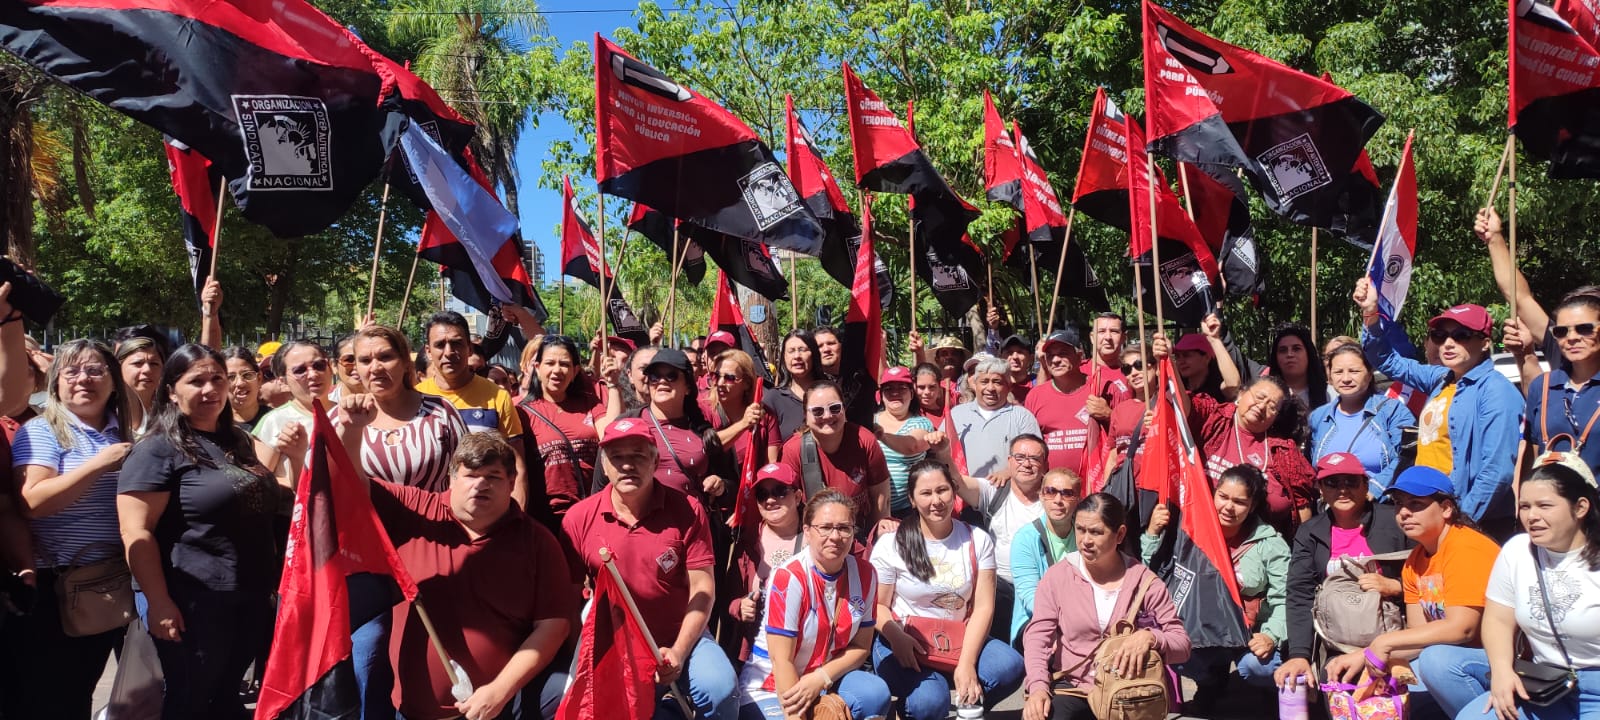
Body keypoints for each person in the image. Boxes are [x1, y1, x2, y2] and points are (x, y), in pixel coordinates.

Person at [346, 426, 575, 720]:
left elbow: (553, 627)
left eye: (493, 477)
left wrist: (499, 691)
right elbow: (349, 484)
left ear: (511, 481)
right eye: (470, 475)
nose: (481, 485)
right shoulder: (414, 510)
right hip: (410, 712)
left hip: (498, 710)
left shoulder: (538, 542)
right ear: (452, 478)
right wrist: (350, 433)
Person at [118, 344, 279, 719]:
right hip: (194, 602)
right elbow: (136, 532)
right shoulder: (157, 450)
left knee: (225, 699)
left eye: (217, 379)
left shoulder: (237, 441)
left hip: (249, 597)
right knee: (190, 700)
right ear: (172, 391)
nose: (210, 390)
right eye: (196, 381)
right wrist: (158, 603)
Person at [338, 325, 472, 717]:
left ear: (406, 360)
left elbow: (464, 475)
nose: (375, 367)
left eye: (385, 356)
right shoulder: (340, 418)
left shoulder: (440, 411)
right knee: (371, 657)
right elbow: (338, 487)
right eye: (364, 359)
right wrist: (353, 430)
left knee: (428, 653)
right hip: (369, 556)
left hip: (435, 546)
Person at [563, 418, 738, 720]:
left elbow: (703, 589)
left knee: (719, 689)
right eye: (617, 457)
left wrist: (680, 652)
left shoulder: (687, 509)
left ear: (656, 460)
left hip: (681, 635)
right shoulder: (578, 518)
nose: (627, 465)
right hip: (614, 645)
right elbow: (568, 599)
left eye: (638, 456)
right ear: (604, 466)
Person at [1, 340, 133, 718]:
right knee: (53, 699)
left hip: (112, 584)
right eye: (72, 371)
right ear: (56, 382)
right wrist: (99, 466)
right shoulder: (41, 431)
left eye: (95, 370)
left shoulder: (123, 432)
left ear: (112, 382)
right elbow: (32, 503)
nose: (83, 379)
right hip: (57, 589)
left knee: (86, 692)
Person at [1324, 466, 1503, 720]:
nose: (1404, 513)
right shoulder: (1414, 561)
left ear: (1446, 508)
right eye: (1398, 504)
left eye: (1416, 504)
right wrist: (1363, 657)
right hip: (1453, 660)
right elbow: (1418, 637)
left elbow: (1463, 629)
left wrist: (1383, 643)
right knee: (1395, 683)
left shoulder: (1466, 547)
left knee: (1436, 662)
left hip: (1501, 660)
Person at [1355, 277, 1524, 534]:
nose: (1447, 343)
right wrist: (1370, 312)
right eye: (1439, 335)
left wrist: (1461, 522)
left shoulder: (1496, 390)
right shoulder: (1440, 378)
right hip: (1435, 513)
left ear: (1486, 342)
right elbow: (1385, 359)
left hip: (1474, 522)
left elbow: (1496, 472)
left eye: (1461, 336)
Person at [870, 460, 1025, 720]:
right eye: (926, 493)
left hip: (956, 638)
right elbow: (877, 606)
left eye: (942, 490)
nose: (936, 501)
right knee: (931, 701)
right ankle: (914, 708)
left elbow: (984, 606)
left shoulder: (978, 539)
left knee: (1008, 666)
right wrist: (897, 638)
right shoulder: (890, 545)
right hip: (904, 641)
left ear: (954, 491)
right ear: (911, 498)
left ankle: (967, 698)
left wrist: (966, 662)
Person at [1020, 492, 1191, 720]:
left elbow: (1182, 644)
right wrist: (1038, 687)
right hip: (1074, 688)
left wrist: (1151, 638)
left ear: (1119, 534)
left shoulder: (1144, 581)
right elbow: (1037, 637)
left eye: (1096, 532)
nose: (1085, 540)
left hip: (1128, 692)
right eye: (1080, 529)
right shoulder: (1058, 577)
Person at [1460, 454, 1600, 720]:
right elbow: (1499, 620)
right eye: (1525, 506)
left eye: (1544, 505)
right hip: (1546, 683)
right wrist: (1502, 671)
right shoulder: (1516, 550)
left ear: (1581, 508)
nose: (1532, 516)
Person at [736, 487, 890, 720]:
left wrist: (821, 678)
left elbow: (861, 647)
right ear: (807, 532)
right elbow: (782, 661)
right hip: (771, 683)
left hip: (824, 677)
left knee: (875, 694)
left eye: (844, 528)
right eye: (825, 527)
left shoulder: (866, 574)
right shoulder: (789, 577)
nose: (835, 536)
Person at [1146, 465, 1290, 710]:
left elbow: (1286, 598)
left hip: (1250, 634)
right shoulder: (1191, 532)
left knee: (1257, 668)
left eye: (1239, 501)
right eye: (1222, 496)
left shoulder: (1270, 544)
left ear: (1252, 506)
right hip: (1205, 629)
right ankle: (1212, 680)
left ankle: (1273, 692)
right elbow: (1153, 573)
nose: (1228, 507)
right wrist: (1152, 533)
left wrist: (1271, 635)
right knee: (1177, 654)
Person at [1273, 452, 1411, 692]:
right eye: (1332, 483)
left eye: (1351, 481)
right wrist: (1299, 654)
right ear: (1321, 489)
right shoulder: (1310, 533)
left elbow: (1429, 573)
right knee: (1339, 697)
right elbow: (1300, 593)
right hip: (1336, 643)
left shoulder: (1395, 522)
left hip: (1391, 638)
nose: (1342, 489)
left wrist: (1396, 586)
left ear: (1366, 485)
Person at [1159, 331, 1316, 537]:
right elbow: (1184, 408)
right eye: (1259, 397)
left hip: (1261, 552)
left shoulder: (1284, 451)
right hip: (1200, 538)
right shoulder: (1214, 419)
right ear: (1241, 394)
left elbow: (1303, 506)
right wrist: (1169, 362)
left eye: (1272, 406)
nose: (1261, 407)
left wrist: (1304, 553)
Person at [417, 312, 528, 497]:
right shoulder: (415, 398)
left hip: (486, 509)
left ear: (469, 348)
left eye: (457, 343)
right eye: (439, 345)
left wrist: (517, 518)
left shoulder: (497, 397)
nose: (448, 352)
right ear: (428, 351)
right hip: (429, 514)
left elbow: (517, 466)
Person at [953, 434, 1049, 642]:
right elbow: (956, 482)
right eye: (1020, 457)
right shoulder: (994, 490)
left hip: (1040, 591)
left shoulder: (1054, 498)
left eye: (1034, 458)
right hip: (999, 589)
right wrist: (943, 452)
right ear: (1009, 461)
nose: (1026, 464)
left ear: (1044, 464)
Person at [781, 382, 890, 538]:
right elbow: (787, 507)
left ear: (844, 410)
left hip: (857, 536)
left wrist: (878, 540)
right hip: (813, 541)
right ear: (806, 415)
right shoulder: (793, 450)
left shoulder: (864, 440)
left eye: (834, 408)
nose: (827, 416)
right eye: (817, 411)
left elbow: (881, 497)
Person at [620, 348, 728, 504]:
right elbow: (602, 483)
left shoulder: (704, 431)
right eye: (655, 376)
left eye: (671, 375)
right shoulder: (627, 424)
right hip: (642, 525)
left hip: (692, 524)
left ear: (688, 387)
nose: (662, 381)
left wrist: (720, 485)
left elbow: (730, 484)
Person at [723, 463, 808, 661]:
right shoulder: (748, 541)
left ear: (797, 497)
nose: (770, 500)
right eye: (762, 494)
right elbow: (729, 599)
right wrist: (740, 607)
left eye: (780, 491)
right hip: (757, 651)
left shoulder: (816, 536)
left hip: (804, 649)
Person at [518, 335, 605, 524]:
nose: (557, 370)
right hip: (546, 518)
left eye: (564, 364)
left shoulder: (591, 404)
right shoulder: (520, 411)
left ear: (575, 371)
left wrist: (613, 385)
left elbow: (611, 439)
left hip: (592, 514)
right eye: (550, 363)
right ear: (537, 368)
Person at [1309, 342, 1415, 497]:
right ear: (1329, 376)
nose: (1345, 378)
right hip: (1331, 506)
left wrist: (1374, 489)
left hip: (1379, 505)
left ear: (1369, 373)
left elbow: (1407, 456)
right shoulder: (1318, 417)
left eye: (1354, 371)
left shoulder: (1392, 411)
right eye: (1338, 372)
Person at [1524, 292, 1600, 472]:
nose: (1572, 338)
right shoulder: (1542, 386)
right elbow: (1530, 452)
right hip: (1549, 496)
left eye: (1584, 328)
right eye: (1561, 331)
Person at [1025, 329, 1113, 480]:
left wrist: (1108, 415)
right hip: (1053, 492)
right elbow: (1028, 443)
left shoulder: (1102, 388)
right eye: (1050, 355)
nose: (1056, 360)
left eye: (1063, 353)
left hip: (1096, 487)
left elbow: (1125, 434)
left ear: (1079, 357)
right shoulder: (1035, 395)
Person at [1007, 467, 1081, 645]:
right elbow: (1029, 595)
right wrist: (1061, 625)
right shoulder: (1025, 538)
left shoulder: (1084, 535)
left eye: (1067, 494)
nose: (1058, 500)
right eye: (1050, 492)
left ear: (1078, 499)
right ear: (1041, 495)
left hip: (1080, 617)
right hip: (1035, 619)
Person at [946, 355, 1042, 478]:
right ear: (975, 385)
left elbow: (1036, 457)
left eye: (997, 382)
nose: (990, 388)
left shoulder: (1022, 417)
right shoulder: (956, 414)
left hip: (1008, 493)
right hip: (964, 492)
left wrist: (1009, 472)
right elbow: (943, 451)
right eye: (984, 382)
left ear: (1009, 387)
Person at [252, 340, 332, 485]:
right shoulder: (274, 421)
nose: (313, 374)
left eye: (319, 366)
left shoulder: (350, 414)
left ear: (330, 367)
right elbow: (260, 481)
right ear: (283, 382)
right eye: (300, 370)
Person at [875, 366, 939, 518]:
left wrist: (880, 435)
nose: (895, 393)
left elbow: (913, 446)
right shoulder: (870, 420)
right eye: (889, 389)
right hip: (874, 507)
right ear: (881, 395)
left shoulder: (922, 423)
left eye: (902, 388)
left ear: (911, 394)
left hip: (909, 509)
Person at [706, 348, 781, 470]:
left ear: (746, 383)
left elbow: (771, 465)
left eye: (729, 378)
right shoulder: (703, 409)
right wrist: (743, 423)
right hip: (713, 486)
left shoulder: (765, 415)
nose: (720, 383)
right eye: (716, 376)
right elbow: (705, 447)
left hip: (753, 486)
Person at [765, 330, 825, 439]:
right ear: (784, 357)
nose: (797, 356)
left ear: (814, 354)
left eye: (803, 350)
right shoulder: (773, 398)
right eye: (791, 351)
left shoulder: (829, 393)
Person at [1170, 315, 1241, 403]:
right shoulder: (1174, 386)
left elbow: (1233, 385)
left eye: (1187, 355)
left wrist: (1214, 339)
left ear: (1207, 357)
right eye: (1177, 356)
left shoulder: (1218, 386)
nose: (1181, 361)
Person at [1269, 325, 1331, 413]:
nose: (1289, 354)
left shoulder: (1330, 395)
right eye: (1283, 350)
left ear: (1309, 354)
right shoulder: (1265, 396)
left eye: (1296, 349)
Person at [116, 334, 164, 436]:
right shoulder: (107, 414)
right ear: (118, 368)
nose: (147, 370)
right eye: (138, 363)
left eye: (154, 364)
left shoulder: (171, 410)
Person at [223, 346, 267, 431]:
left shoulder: (276, 421)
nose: (240, 383)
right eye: (231, 377)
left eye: (247, 375)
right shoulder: (214, 425)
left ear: (259, 378)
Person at [913, 363, 952, 430]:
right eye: (921, 387)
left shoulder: (951, 410)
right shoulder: (911, 415)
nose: (927, 392)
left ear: (939, 389)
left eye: (932, 387)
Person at [333, 332, 365, 400]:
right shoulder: (324, 406)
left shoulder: (389, 404)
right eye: (349, 360)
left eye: (365, 360)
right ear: (334, 366)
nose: (357, 367)